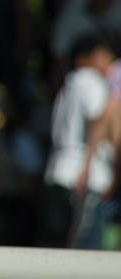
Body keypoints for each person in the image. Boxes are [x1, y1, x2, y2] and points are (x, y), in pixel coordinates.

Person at [43, 35, 118, 250]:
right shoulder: (91, 80)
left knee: (56, 247)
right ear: (83, 59)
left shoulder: (69, 83)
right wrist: (87, 167)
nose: (108, 62)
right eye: (103, 55)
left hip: (59, 170)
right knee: (87, 252)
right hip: (84, 177)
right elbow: (98, 122)